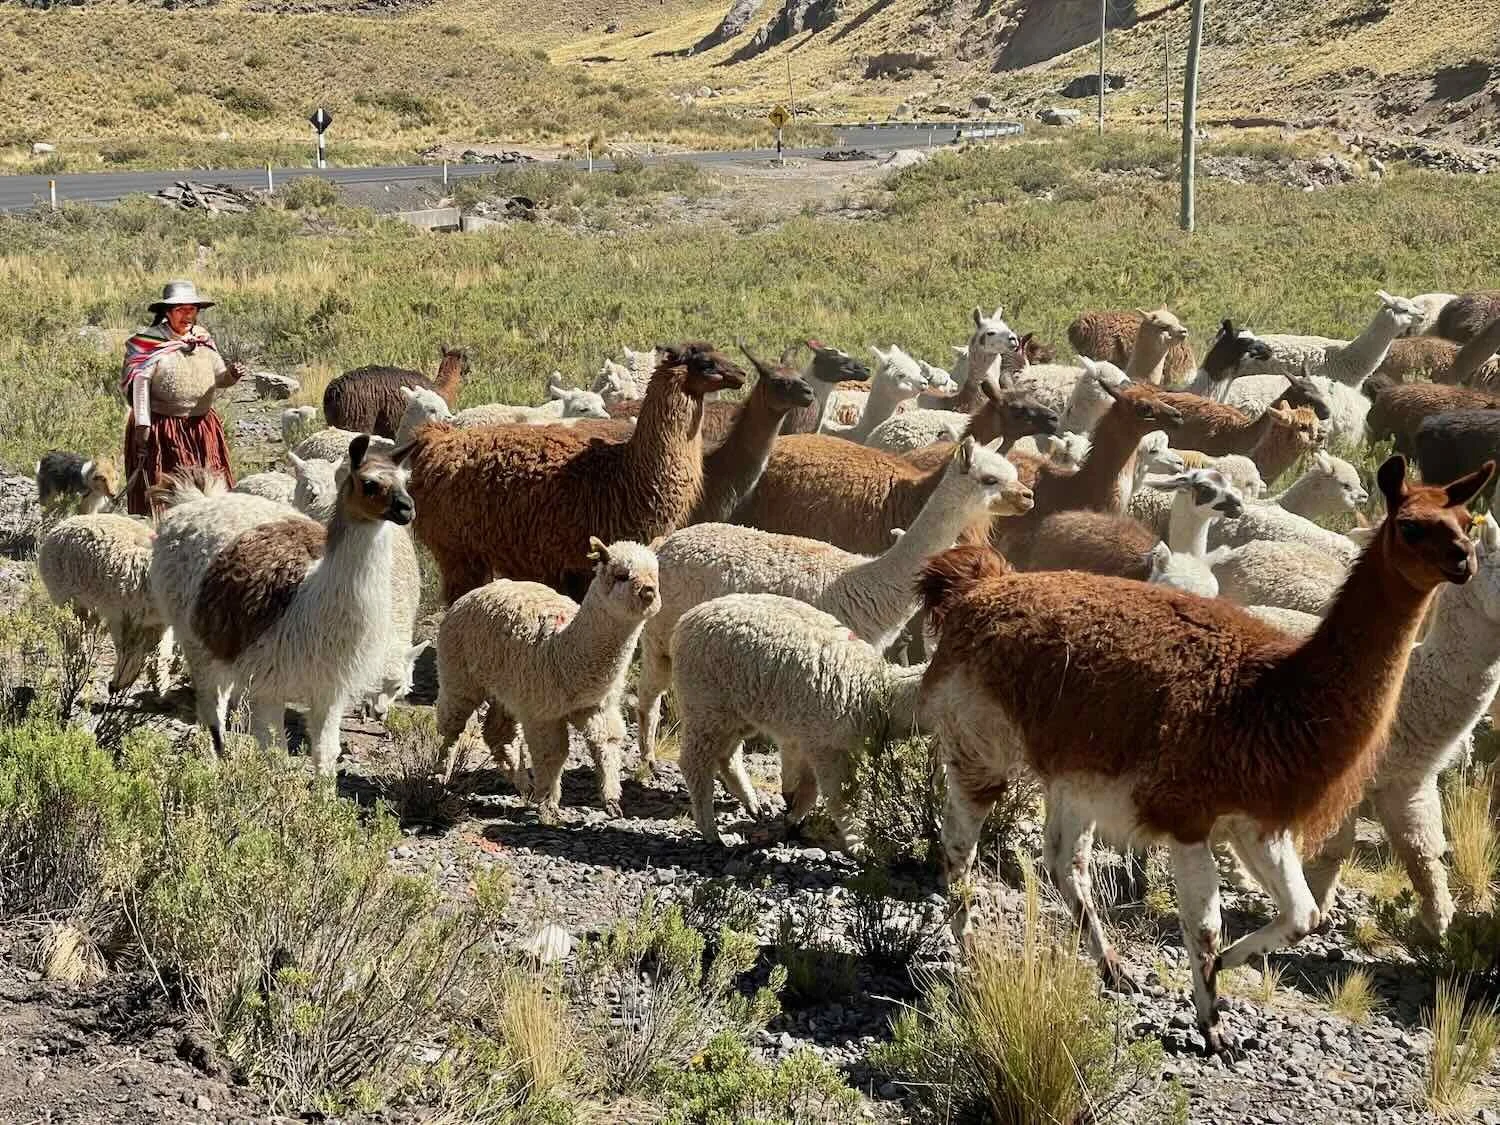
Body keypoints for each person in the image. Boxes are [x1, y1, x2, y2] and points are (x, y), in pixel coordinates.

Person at [120, 280, 245, 515]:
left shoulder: (202, 338)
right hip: (163, 430)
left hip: (202, 428)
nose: (187, 315)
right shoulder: (150, 343)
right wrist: (143, 425)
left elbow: (219, 377)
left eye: (192, 310)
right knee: (170, 489)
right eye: (180, 310)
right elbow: (140, 383)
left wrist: (232, 375)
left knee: (209, 487)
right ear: (167, 313)